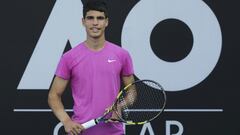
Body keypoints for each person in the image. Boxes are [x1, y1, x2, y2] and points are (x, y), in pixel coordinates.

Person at [48, 0, 135, 135]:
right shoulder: (69, 57)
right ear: (83, 21)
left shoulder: (122, 55)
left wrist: (119, 108)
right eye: (90, 18)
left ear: (106, 22)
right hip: (82, 132)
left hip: (114, 132)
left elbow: (132, 92)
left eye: (100, 18)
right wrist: (66, 121)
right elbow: (53, 95)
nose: (95, 23)